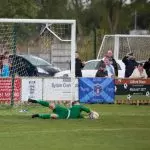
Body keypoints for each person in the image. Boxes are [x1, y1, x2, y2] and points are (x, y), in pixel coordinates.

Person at [28, 98, 94, 119]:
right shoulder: (79, 106)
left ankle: (37, 115)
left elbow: (82, 117)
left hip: (64, 113)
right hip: (65, 113)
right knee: (52, 113)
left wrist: (89, 117)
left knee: (51, 109)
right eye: (77, 102)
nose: (78, 103)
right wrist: (90, 112)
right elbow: (86, 109)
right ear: (76, 103)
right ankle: (35, 102)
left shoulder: (78, 113)